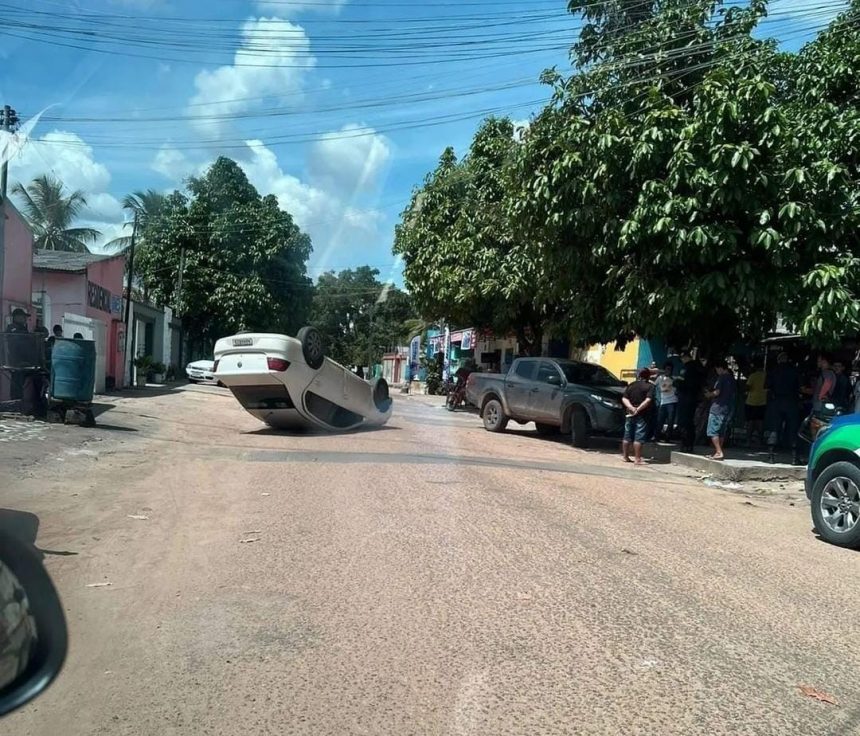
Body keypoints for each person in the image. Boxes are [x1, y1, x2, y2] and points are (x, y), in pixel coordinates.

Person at [765, 352, 801, 461]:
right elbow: (800, 386)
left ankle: (771, 456)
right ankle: (794, 458)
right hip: (791, 401)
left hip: (776, 401)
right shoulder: (794, 370)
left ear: (778, 360)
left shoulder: (773, 370)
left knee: (774, 428)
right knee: (793, 428)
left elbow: (766, 386)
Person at [621, 369, 655, 465]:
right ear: (648, 377)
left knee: (627, 435)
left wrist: (631, 408)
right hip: (642, 414)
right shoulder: (650, 386)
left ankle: (625, 456)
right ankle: (637, 459)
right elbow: (648, 400)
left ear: (638, 376)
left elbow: (624, 398)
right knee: (639, 436)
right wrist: (638, 409)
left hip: (629, 413)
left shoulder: (631, 385)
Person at [705, 360, 736, 460]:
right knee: (721, 431)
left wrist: (709, 395)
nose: (717, 371)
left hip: (717, 407)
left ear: (720, 368)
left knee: (713, 431)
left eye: (717, 369)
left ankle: (718, 452)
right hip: (727, 408)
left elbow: (717, 392)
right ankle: (718, 451)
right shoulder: (732, 379)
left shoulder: (721, 378)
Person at [675, 352, 705, 452]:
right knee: (690, 422)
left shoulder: (687, 368)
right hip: (693, 398)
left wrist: (676, 383)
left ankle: (685, 444)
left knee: (683, 422)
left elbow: (681, 382)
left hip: (685, 398)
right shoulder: (698, 367)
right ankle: (689, 445)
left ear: (685, 357)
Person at [744, 359, 767, 446]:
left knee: (750, 422)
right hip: (762, 401)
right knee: (760, 422)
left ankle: (748, 440)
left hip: (751, 401)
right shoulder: (766, 376)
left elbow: (747, 387)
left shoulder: (753, 376)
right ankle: (760, 440)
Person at [654, 362, 678, 441]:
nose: (668, 371)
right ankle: (657, 436)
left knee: (670, 421)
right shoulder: (660, 378)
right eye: (667, 369)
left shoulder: (674, 378)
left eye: (670, 369)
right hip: (663, 401)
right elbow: (654, 385)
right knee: (660, 420)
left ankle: (668, 437)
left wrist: (671, 378)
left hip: (672, 401)